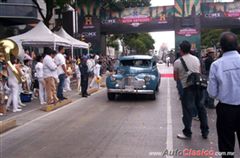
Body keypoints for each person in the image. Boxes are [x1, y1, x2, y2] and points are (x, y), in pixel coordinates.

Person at [207, 32, 240, 157]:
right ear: (237, 45)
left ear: (221, 47)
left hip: (226, 110)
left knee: (226, 146)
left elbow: (212, 93)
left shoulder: (216, 65)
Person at [173, 40, 209, 139]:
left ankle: (187, 132)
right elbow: (200, 72)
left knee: (187, 111)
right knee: (201, 108)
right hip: (199, 87)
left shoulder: (177, 62)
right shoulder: (196, 59)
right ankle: (205, 131)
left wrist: (184, 76)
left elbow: (176, 78)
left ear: (180, 50)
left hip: (187, 88)